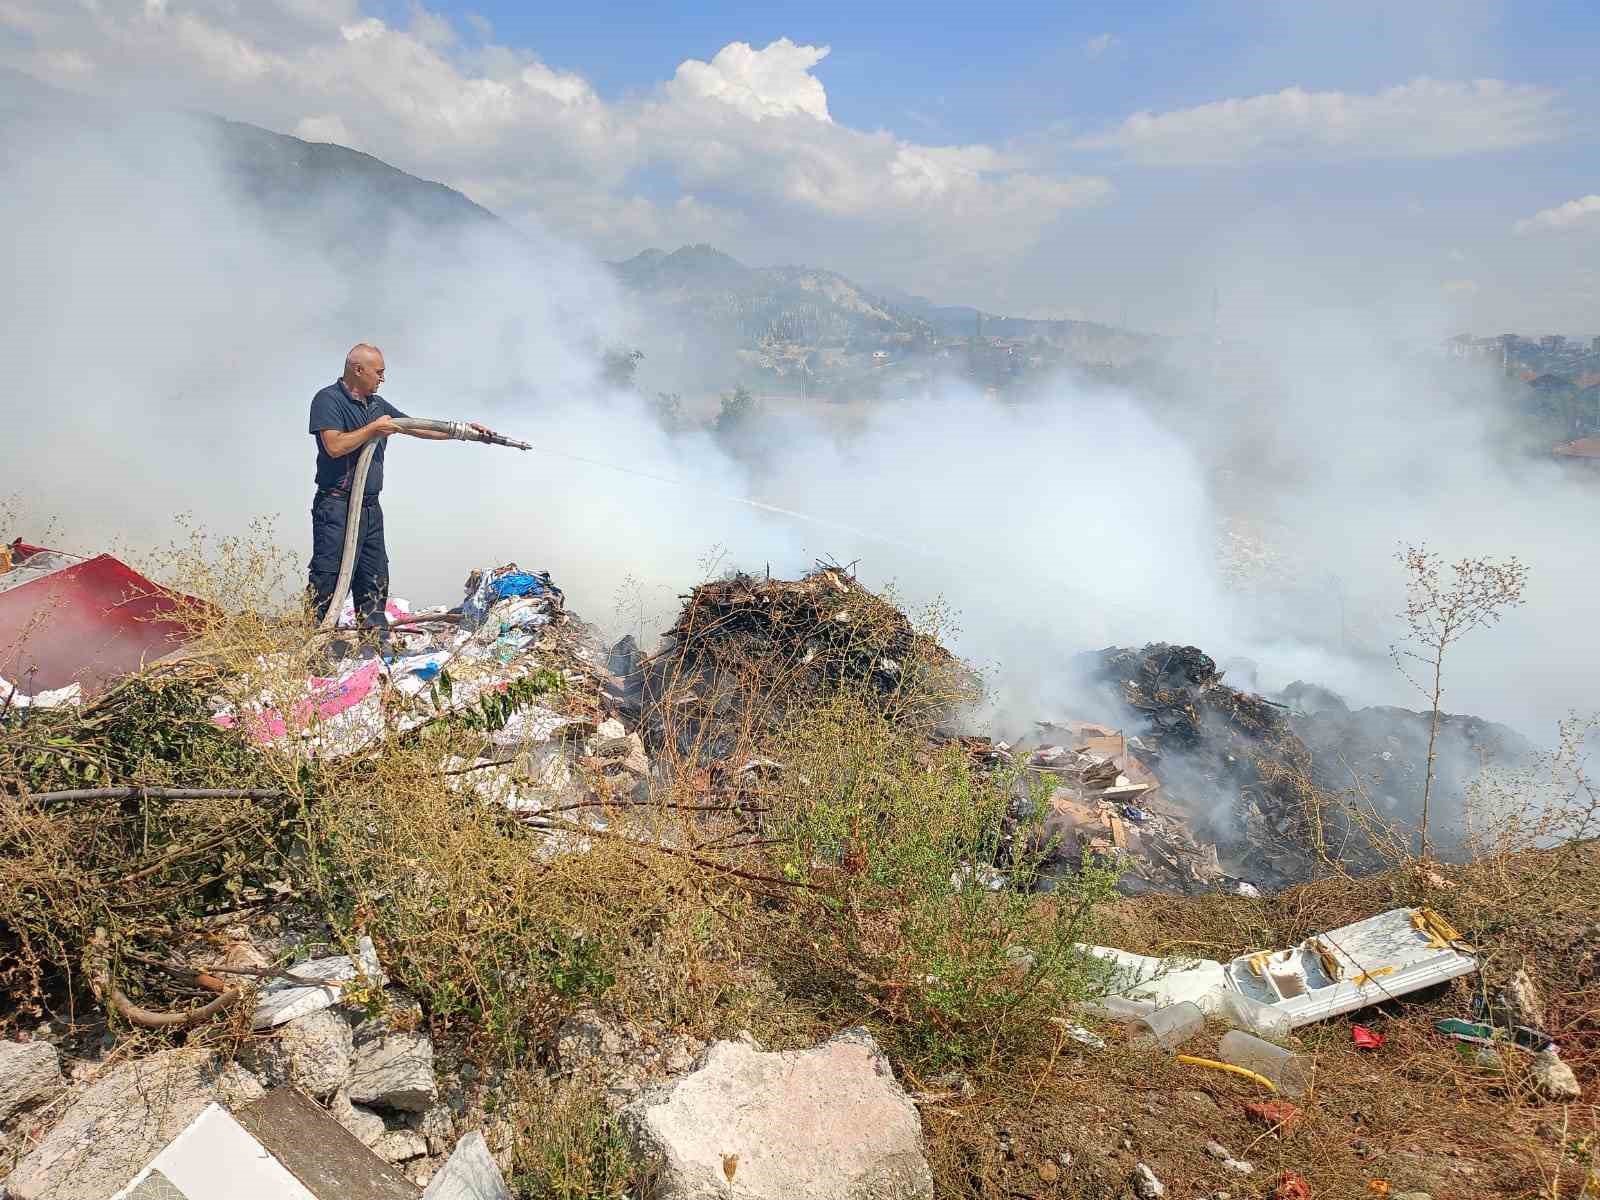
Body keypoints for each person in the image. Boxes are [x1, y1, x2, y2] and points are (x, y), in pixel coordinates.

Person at [307, 343, 490, 635]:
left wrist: (467, 432)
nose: (382, 379)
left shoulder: (377, 406)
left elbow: (415, 426)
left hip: (369, 507)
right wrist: (372, 431)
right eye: (378, 373)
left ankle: (374, 641)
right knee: (329, 575)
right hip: (337, 505)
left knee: (374, 574)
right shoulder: (328, 400)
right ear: (358, 370)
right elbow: (334, 445)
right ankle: (317, 641)